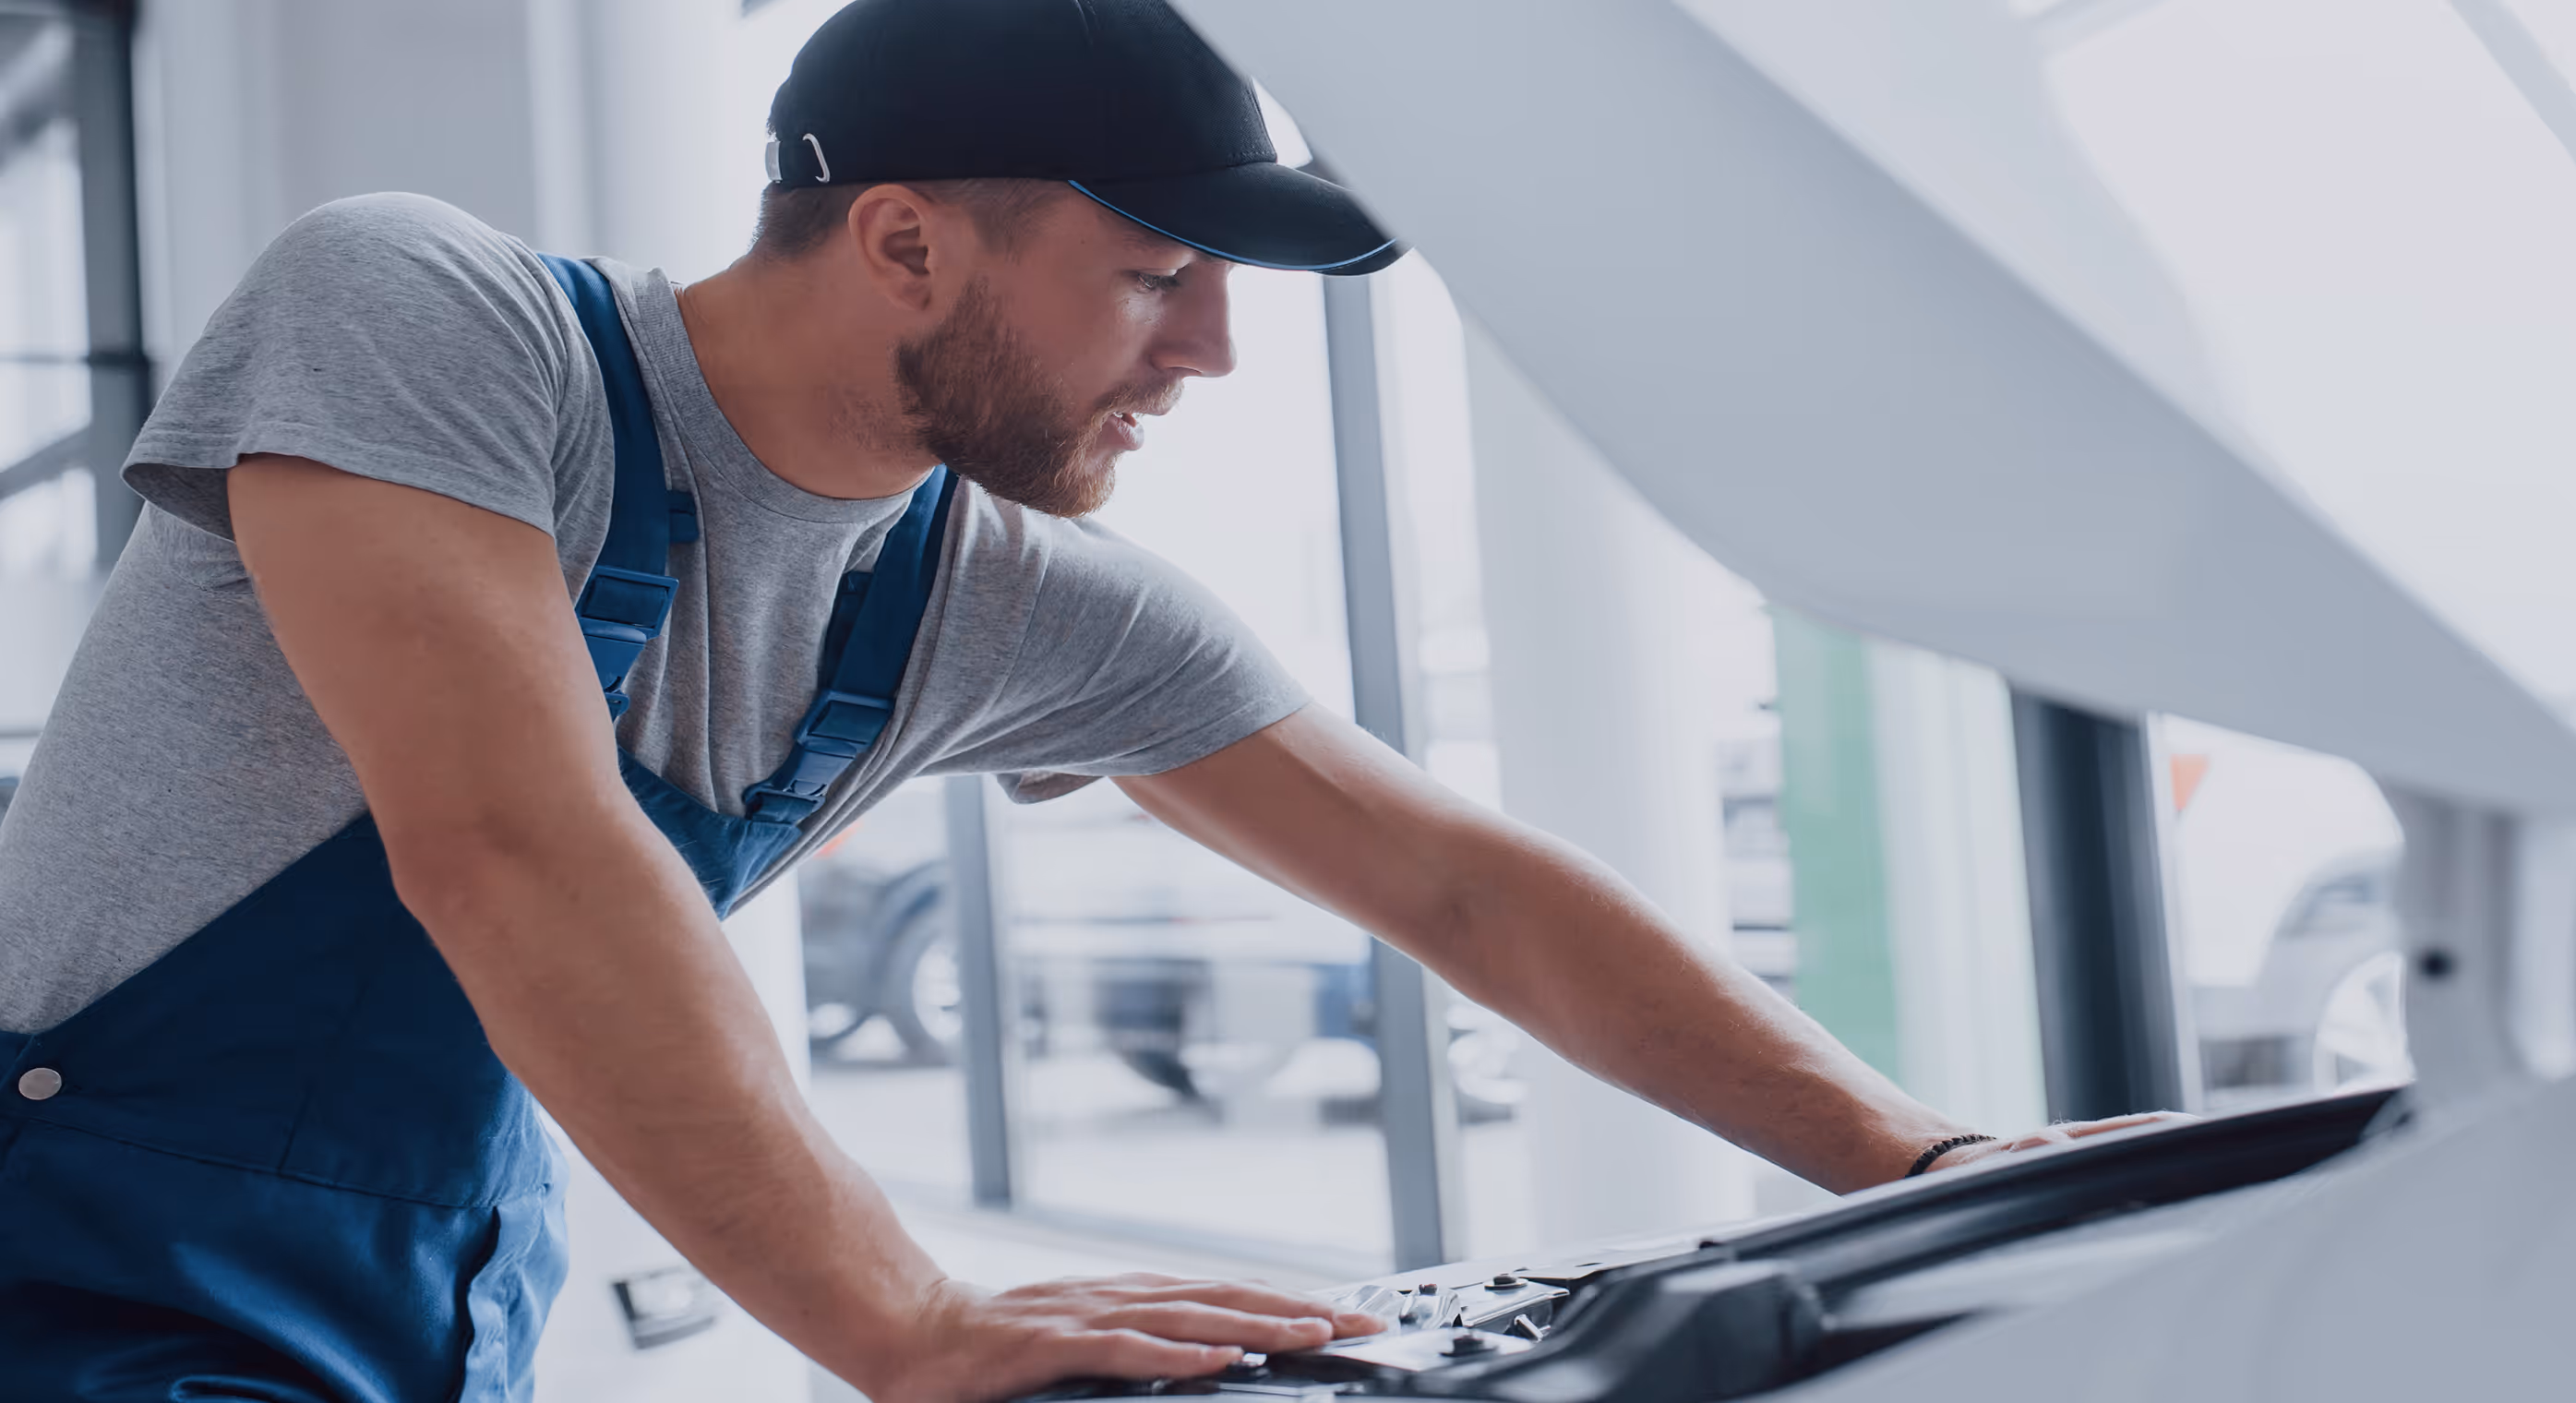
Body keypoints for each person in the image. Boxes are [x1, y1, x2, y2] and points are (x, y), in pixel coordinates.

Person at [0, 1, 2171, 1399]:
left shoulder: (995, 598)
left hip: (436, 1317)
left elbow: (1463, 883)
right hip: (77, 1293)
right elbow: (505, 846)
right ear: (910, 245)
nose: (1211, 350)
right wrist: (907, 1316)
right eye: (1158, 273)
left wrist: (1924, 1156)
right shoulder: (427, 318)